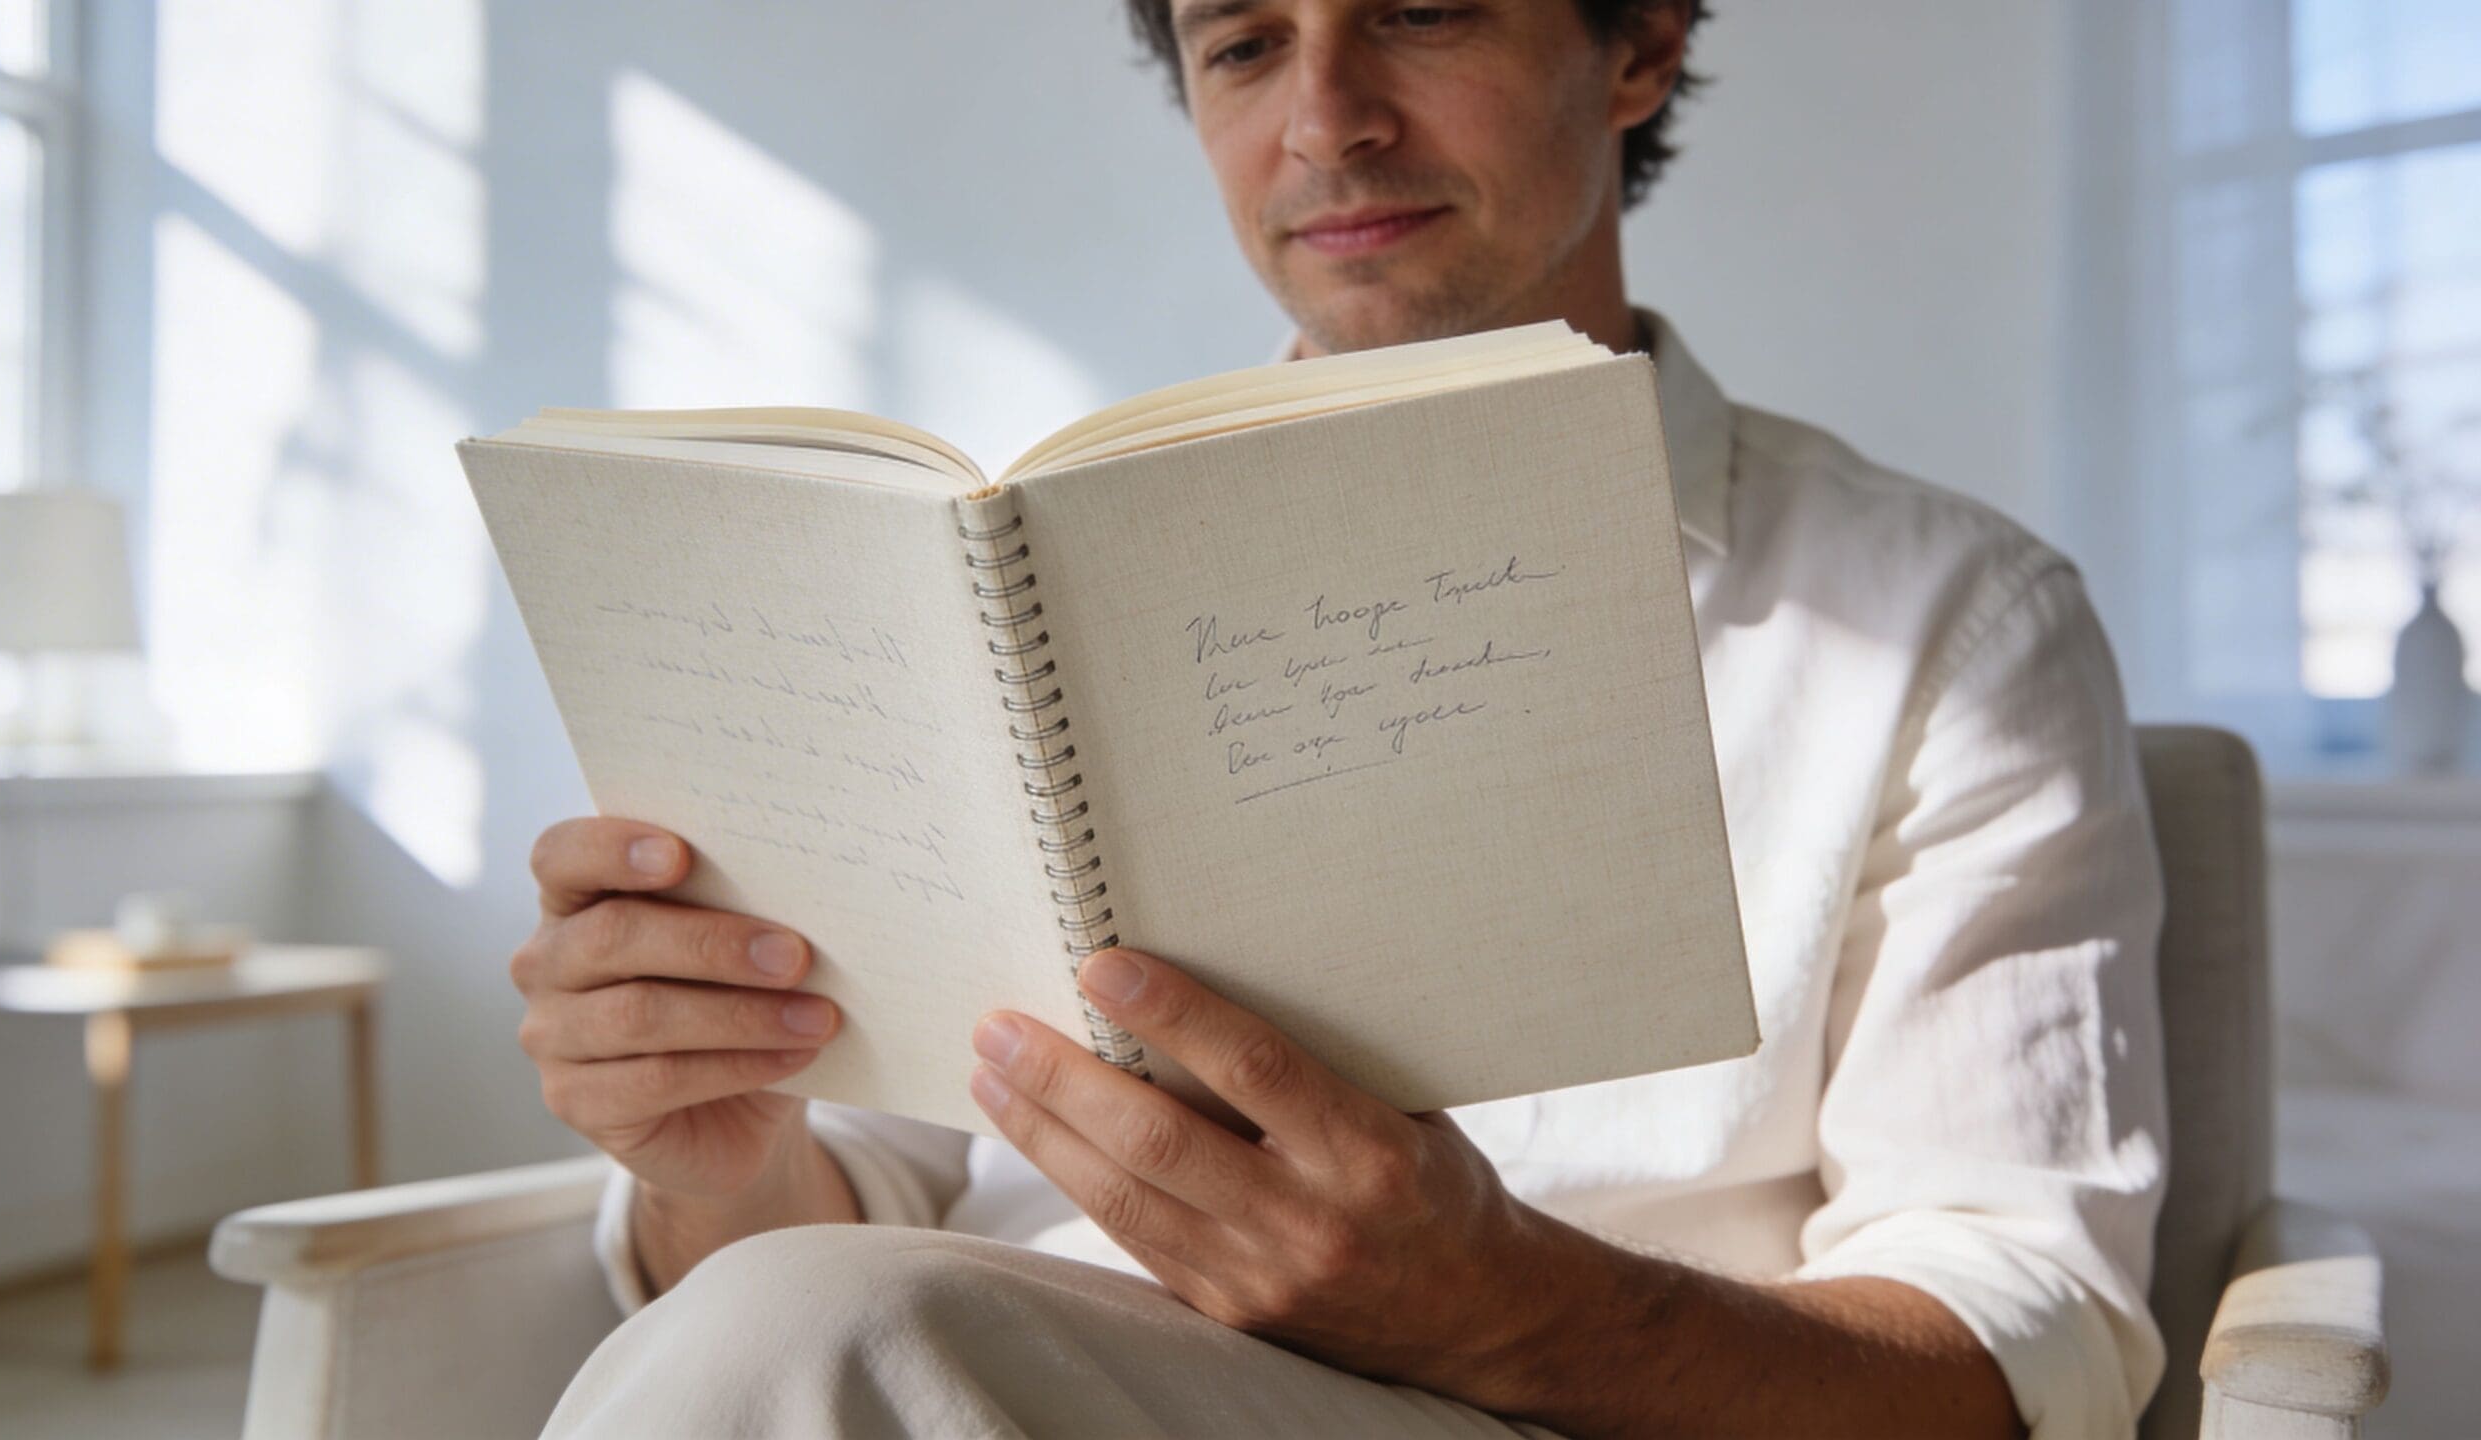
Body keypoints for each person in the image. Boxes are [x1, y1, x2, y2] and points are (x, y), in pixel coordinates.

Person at [515, 2, 2169, 1435]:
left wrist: (1508, 1307)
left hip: (1583, 1413)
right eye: (1242, 45)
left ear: (1639, 45)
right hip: (989, 1385)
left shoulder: (1946, 617)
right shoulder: (1000, 620)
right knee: (796, 1317)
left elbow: (2020, 1356)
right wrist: (712, 1149)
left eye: (1426, 14)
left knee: (813, 1329)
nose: (1325, 121)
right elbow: (836, 1244)